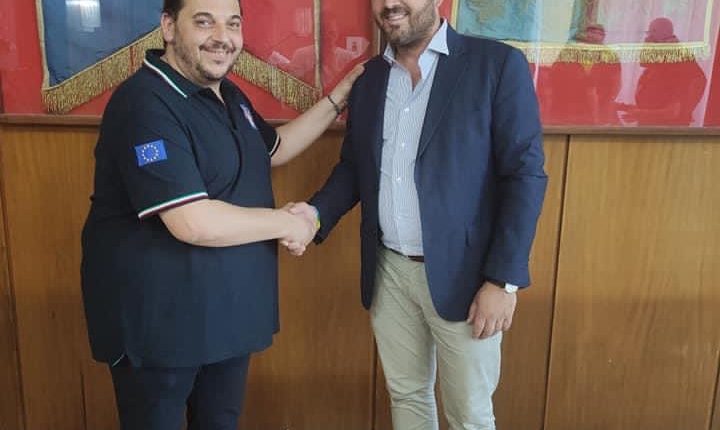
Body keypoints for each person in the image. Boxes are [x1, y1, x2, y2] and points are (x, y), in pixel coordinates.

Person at [80, 0, 362, 428]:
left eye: (232, 24)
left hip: (225, 317)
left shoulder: (227, 94)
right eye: (204, 22)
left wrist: (339, 97)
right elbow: (191, 221)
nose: (222, 38)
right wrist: (290, 222)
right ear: (169, 27)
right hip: (161, 326)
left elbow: (275, 149)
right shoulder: (144, 103)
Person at [289, 0, 547, 428]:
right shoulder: (371, 79)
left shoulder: (496, 65)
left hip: (468, 278)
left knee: (469, 415)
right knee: (407, 396)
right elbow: (354, 167)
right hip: (388, 271)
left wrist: (503, 280)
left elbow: (525, 175)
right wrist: (314, 215)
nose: (390, 4)